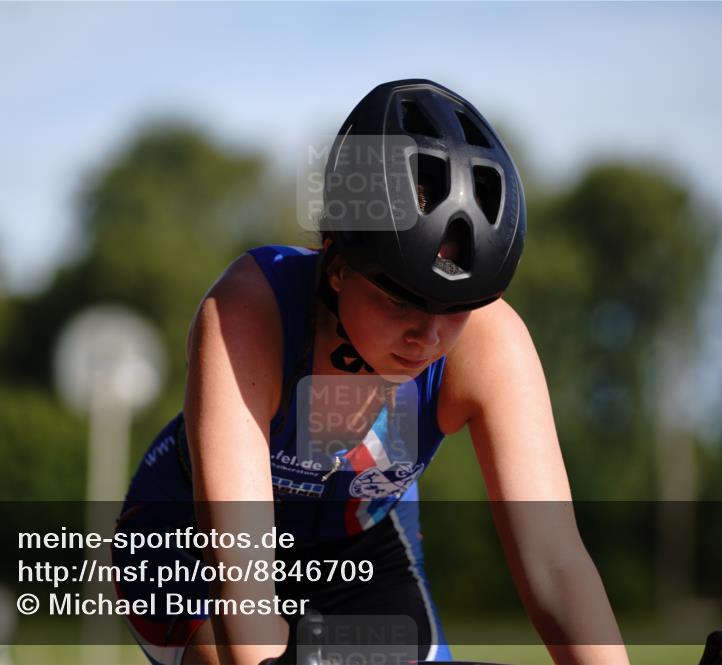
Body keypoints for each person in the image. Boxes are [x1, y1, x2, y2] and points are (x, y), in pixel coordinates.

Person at [112, 79, 630, 665]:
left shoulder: (491, 343)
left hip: (359, 547)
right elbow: (244, 581)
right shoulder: (247, 314)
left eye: (456, 307)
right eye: (401, 299)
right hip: (193, 546)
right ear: (336, 261)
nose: (428, 336)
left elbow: (555, 561)